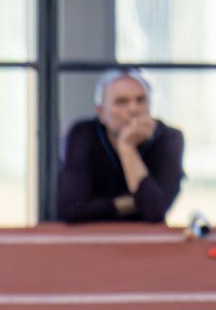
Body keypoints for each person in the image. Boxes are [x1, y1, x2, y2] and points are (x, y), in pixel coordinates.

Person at [56, 68, 185, 223]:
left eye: (140, 100)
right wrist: (136, 202)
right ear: (101, 112)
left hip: (146, 241)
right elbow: (72, 210)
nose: (133, 109)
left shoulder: (168, 138)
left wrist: (127, 148)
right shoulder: (83, 134)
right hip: (93, 238)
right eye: (121, 102)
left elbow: (155, 211)